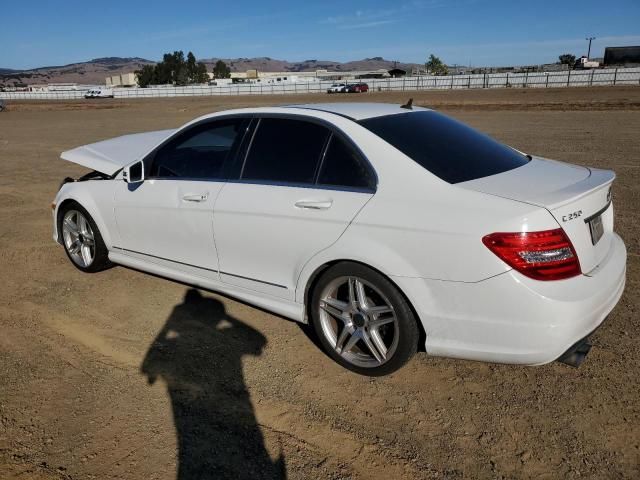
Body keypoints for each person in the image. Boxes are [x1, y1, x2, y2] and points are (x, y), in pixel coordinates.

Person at [141, 289, 285, 479]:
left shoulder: (176, 342)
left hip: (195, 427)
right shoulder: (226, 335)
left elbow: (148, 365)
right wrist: (227, 317)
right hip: (236, 415)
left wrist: (168, 324)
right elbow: (259, 340)